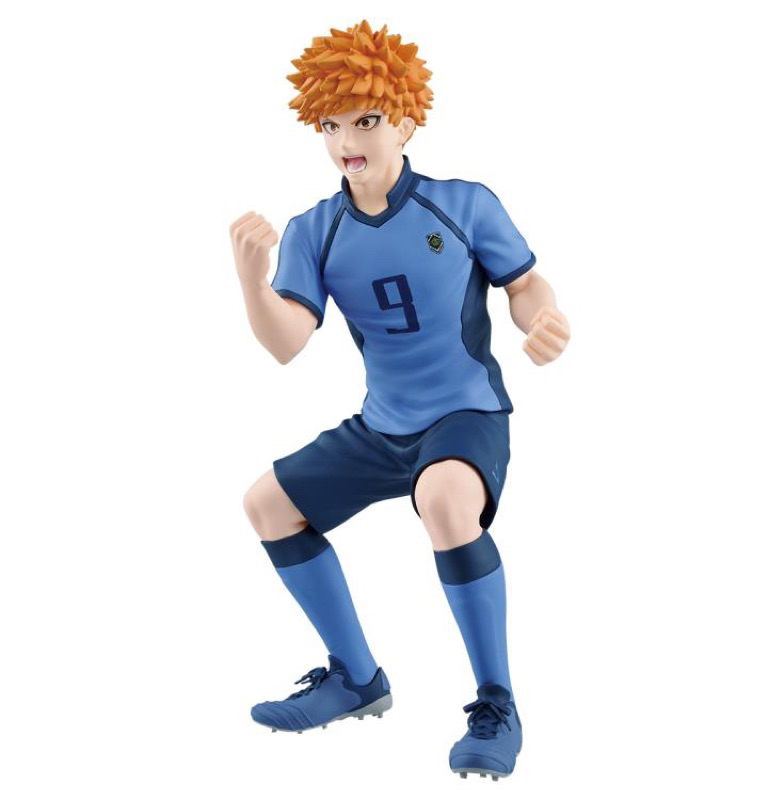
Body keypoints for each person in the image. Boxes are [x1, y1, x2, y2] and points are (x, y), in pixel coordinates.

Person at [229, 19, 570, 781]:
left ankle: (497, 706)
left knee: (444, 499)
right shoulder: (315, 230)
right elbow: (286, 343)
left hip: (465, 414)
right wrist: (252, 281)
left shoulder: (462, 203)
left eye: (366, 120)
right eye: (331, 125)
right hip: (383, 426)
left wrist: (541, 317)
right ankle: (356, 680)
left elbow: (523, 283)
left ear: (407, 122)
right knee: (266, 505)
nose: (347, 140)